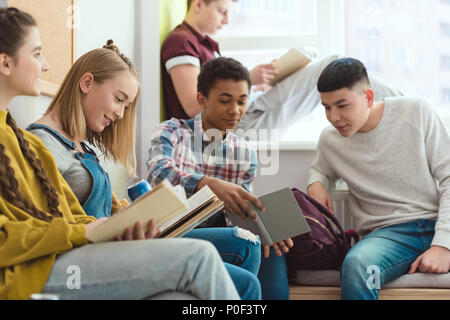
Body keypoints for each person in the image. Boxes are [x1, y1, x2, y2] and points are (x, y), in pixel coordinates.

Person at [0, 7, 240, 300]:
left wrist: (115, 224)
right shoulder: (36, 141)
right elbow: (56, 226)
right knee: (201, 256)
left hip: (66, 253)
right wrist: (86, 232)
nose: (46, 65)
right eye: (37, 53)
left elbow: (67, 215)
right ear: (5, 62)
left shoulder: (23, 142)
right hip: (35, 269)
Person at [148, 56, 293, 300]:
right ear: (201, 99)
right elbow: (159, 172)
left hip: (222, 234)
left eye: (242, 101)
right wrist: (208, 184)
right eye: (225, 100)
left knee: (272, 248)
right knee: (245, 243)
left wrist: (262, 224)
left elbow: (236, 214)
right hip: (173, 233)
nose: (235, 110)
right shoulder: (171, 131)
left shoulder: (246, 153)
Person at [307, 57, 450, 300]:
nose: (333, 117)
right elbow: (319, 169)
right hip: (386, 237)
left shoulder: (417, 111)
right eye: (326, 107)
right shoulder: (331, 140)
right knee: (357, 266)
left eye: (342, 105)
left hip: (434, 222)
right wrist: (316, 183)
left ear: (369, 98)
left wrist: (443, 245)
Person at [161, 0, 402, 136]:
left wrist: (255, 85)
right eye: (222, 11)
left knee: (316, 65)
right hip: (233, 126)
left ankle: (401, 110)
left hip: (242, 119)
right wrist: (249, 80)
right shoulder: (182, 42)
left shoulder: (204, 46)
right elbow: (194, 108)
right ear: (200, 4)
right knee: (331, 64)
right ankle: (404, 104)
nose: (226, 20)